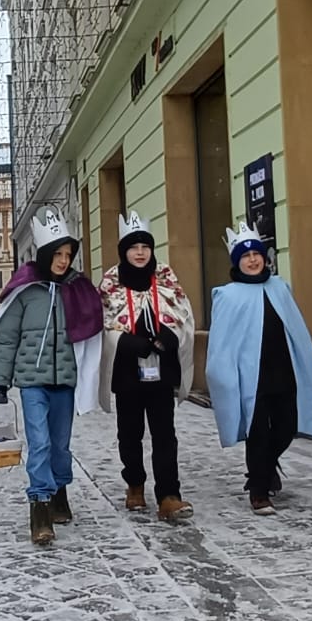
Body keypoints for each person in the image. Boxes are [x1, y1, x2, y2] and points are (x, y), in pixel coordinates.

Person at [0, 209, 105, 545]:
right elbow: (7, 338)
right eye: (58, 254)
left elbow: (90, 332)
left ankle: (59, 491)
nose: (63, 260)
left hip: (64, 381)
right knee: (39, 443)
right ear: (45, 254)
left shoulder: (77, 290)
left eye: (68, 254)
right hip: (31, 382)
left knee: (60, 445)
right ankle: (40, 507)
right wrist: (0, 381)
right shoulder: (26, 291)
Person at [205, 220, 312, 516]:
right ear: (237, 262)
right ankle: (259, 491)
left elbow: (295, 328)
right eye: (245, 256)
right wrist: (225, 376)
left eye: (256, 254)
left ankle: (265, 468)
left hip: (283, 371)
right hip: (251, 378)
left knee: (286, 428)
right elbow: (222, 342)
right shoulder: (227, 296)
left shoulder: (279, 287)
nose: (252, 260)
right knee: (257, 433)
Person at [98, 212, 197, 521]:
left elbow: (183, 314)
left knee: (165, 434)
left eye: (145, 247)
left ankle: (169, 495)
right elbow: (104, 324)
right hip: (128, 373)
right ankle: (135, 484)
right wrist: (128, 343)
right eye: (133, 247)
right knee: (130, 434)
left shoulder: (166, 278)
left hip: (161, 372)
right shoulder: (111, 284)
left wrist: (170, 336)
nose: (140, 253)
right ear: (124, 251)